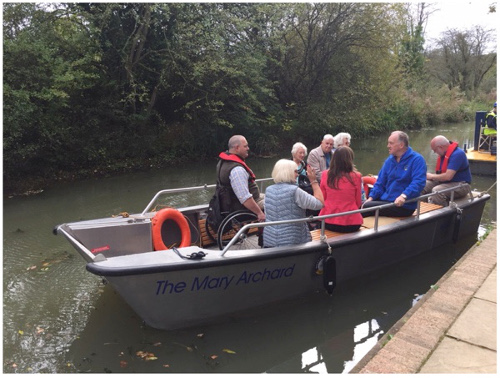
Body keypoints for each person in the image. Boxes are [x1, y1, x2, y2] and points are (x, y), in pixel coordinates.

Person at [362, 131, 427, 217]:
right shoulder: (389, 160)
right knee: (361, 205)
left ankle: (353, 228)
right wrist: (371, 198)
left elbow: (418, 182)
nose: (388, 146)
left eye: (391, 143)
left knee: (366, 207)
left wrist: (404, 196)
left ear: (401, 145)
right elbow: (380, 182)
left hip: (403, 205)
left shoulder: (417, 160)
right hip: (386, 200)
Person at [263, 159, 324, 247]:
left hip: (270, 240)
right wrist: (313, 181)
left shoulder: (268, 190)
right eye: (295, 171)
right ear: (288, 173)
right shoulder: (295, 191)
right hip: (293, 241)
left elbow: (267, 212)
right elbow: (319, 204)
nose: (297, 174)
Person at [216, 135, 265, 222]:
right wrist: (259, 213)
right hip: (240, 207)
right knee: (276, 204)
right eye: (245, 146)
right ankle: (264, 234)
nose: (248, 148)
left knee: (272, 196)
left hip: (230, 203)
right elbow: (244, 198)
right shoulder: (237, 170)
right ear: (237, 148)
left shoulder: (223, 163)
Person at [319, 146, 363, 233]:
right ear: (350, 159)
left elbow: (322, 199)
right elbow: (358, 202)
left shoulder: (325, 175)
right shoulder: (357, 176)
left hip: (328, 222)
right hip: (352, 223)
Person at [422, 135, 472, 206]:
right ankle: (424, 209)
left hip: (462, 185)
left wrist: (431, 176)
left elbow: (448, 176)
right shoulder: (443, 154)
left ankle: (442, 213)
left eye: (435, 150)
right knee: (421, 185)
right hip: (445, 182)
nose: (435, 153)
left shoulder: (458, 154)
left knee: (437, 191)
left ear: (440, 147)